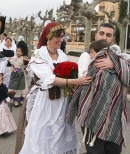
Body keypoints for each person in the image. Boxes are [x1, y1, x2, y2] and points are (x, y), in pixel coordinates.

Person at [16, 22, 92, 154]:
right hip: (45, 101)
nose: (61, 40)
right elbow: (49, 79)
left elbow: (68, 73)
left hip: (61, 101)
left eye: (62, 36)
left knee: (61, 133)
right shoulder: (39, 54)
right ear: (49, 37)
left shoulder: (61, 54)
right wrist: (77, 81)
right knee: (44, 133)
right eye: (59, 37)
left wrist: (80, 76)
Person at [71, 23, 129, 154]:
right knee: (95, 151)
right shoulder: (87, 55)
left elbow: (128, 77)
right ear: (96, 35)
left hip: (114, 115)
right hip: (93, 114)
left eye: (108, 35)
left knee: (113, 151)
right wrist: (115, 66)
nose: (104, 37)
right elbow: (86, 79)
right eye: (101, 33)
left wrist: (114, 63)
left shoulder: (118, 58)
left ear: (112, 39)